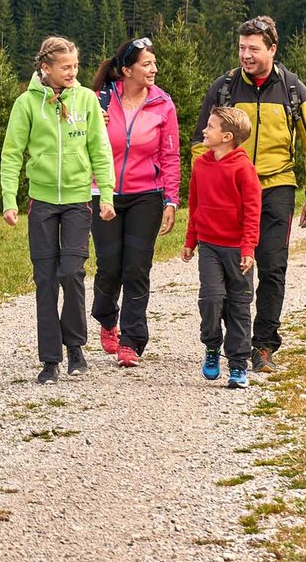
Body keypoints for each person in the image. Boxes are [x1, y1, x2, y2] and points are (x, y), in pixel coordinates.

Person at [191, 15, 306, 373]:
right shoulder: (223, 89)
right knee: (225, 270)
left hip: (275, 187)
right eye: (241, 48)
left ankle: (264, 345)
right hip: (227, 193)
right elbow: (199, 141)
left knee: (272, 266)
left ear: (272, 49)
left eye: (253, 48)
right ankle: (227, 337)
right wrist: (205, 184)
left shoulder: (295, 90)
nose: (246, 55)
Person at [1, 36, 115, 385]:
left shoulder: (85, 100)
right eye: (65, 67)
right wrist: (10, 200)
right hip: (43, 202)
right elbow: (11, 153)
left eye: (75, 67)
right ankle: (50, 360)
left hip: (79, 200)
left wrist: (106, 194)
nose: (72, 72)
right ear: (45, 68)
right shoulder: (26, 104)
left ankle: (76, 348)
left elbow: (100, 148)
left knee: (71, 273)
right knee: (46, 281)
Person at [90, 36, 181, 367]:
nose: (154, 69)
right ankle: (105, 316)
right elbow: (75, 141)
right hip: (103, 193)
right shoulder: (99, 101)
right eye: (147, 64)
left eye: (154, 63)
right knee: (110, 267)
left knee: (137, 268)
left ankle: (132, 341)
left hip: (147, 195)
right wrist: (90, 128)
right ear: (126, 70)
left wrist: (171, 199)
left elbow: (170, 155)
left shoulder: (163, 104)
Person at [183, 106, 261, 389]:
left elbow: (253, 211)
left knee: (239, 306)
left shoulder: (244, 168)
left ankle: (238, 364)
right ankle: (213, 347)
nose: (205, 130)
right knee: (212, 299)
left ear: (227, 136)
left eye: (211, 127)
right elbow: (195, 206)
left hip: (238, 249)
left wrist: (248, 248)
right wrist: (190, 241)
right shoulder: (201, 165)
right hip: (210, 247)